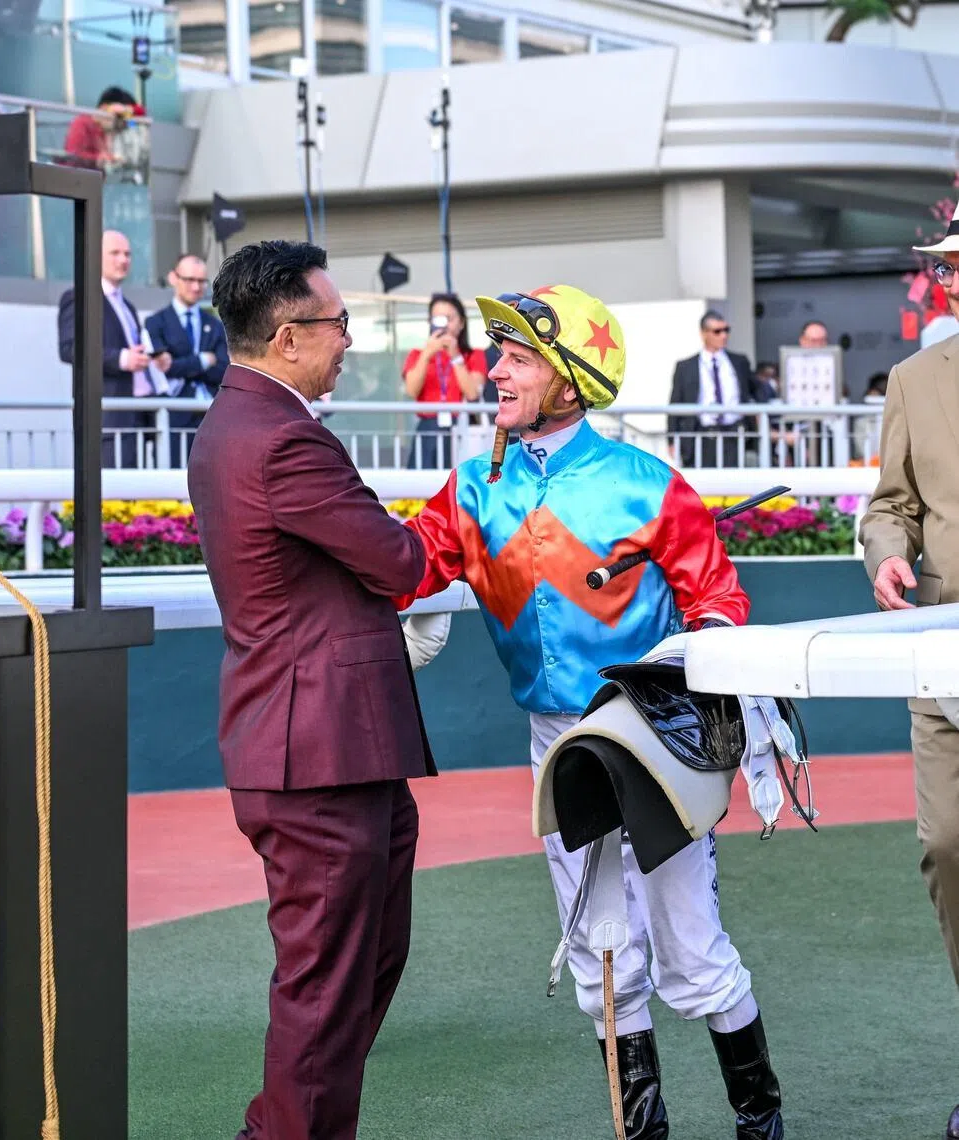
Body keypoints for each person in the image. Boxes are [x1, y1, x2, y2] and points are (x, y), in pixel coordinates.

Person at [397, 285, 784, 1140]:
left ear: (570, 382)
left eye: (517, 358)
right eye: (497, 353)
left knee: (691, 944)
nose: (494, 370)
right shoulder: (470, 488)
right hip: (556, 739)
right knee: (601, 947)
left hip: (653, 738)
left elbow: (719, 598)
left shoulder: (649, 485)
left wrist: (698, 666)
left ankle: (760, 1118)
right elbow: (405, 563)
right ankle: (641, 1130)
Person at [187, 240, 436, 1140]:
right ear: (288, 337)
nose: (349, 340)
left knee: (351, 974)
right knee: (326, 991)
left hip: (322, 749)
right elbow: (398, 558)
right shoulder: (285, 437)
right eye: (338, 325)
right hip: (317, 759)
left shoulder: (234, 424)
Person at [859, 202, 959, 1140]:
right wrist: (886, 550)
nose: (951, 279)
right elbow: (891, 504)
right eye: (946, 265)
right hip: (943, 658)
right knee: (950, 847)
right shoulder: (913, 378)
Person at [57, 229, 170, 468]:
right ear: (95, 256)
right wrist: (120, 359)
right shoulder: (78, 297)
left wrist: (150, 359)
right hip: (109, 417)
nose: (123, 260)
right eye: (115, 253)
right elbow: (69, 348)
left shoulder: (126, 304)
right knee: (113, 497)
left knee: (137, 497)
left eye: (127, 254)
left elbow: (130, 350)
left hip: (138, 414)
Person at [144, 254, 229, 465]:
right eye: (189, 280)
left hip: (210, 417)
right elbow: (163, 368)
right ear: (173, 278)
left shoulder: (215, 324)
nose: (196, 287)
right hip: (173, 417)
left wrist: (181, 365)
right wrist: (202, 361)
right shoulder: (156, 322)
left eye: (201, 281)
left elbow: (222, 369)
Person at [402, 293, 487, 468]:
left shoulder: (474, 355)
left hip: (461, 427)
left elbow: (473, 393)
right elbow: (412, 390)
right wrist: (427, 354)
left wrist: (455, 356)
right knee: (422, 487)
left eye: (449, 319)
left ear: (461, 323)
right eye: (437, 319)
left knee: (458, 484)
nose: (444, 325)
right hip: (428, 426)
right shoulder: (417, 355)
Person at [668, 310, 755, 468]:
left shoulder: (739, 361)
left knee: (734, 486)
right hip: (700, 436)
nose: (723, 335)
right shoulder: (686, 366)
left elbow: (754, 391)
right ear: (704, 333)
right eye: (717, 331)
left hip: (733, 434)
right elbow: (675, 404)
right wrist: (671, 440)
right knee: (702, 487)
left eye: (726, 330)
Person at [63, 86, 137, 170]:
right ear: (104, 108)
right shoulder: (82, 123)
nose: (121, 124)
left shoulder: (106, 131)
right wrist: (99, 158)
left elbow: (134, 121)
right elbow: (72, 155)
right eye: (119, 116)